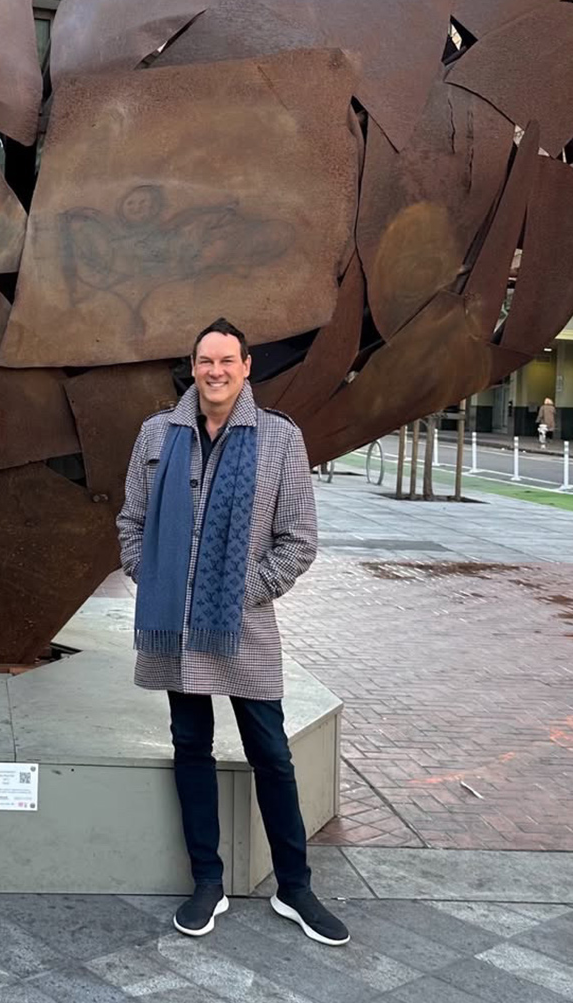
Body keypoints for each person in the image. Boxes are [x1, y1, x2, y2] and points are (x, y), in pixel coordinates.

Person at [117, 318, 349, 946]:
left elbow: (298, 541)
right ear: (192, 368)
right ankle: (206, 881)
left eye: (226, 360)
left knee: (270, 752)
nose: (214, 371)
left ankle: (295, 888)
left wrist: (236, 591)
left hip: (244, 626)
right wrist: (158, 579)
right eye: (203, 361)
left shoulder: (278, 440)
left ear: (247, 366)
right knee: (189, 746)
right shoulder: (156, 436)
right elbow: (131, 521)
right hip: (175, 627)